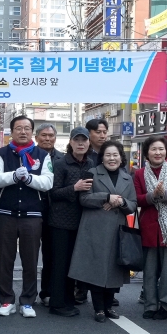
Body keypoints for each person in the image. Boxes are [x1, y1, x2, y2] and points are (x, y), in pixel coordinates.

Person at [0, 115, 54, 318]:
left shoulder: (42, 155)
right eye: (18, 128)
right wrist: (14, 176)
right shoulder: (1, 153)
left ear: (32, 132)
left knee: (30, 260)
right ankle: (6, 300)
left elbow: (48, 182)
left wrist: (28, 178)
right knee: (5, 259)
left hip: (32, 215)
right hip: (6, 214)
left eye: (27, 128)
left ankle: (27, 301)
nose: (23, 131)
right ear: (12, 131)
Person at [69, 141, 137, 323]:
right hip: (95, 229)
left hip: (117, 230)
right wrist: (106, 197)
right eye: (108, 155)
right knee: (96, 269)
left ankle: (109, 306)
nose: (111, 158)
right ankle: (99, 308)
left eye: (115, 155)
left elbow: (133, 204)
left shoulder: (127, 177)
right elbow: (84, 198)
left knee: (114, 270)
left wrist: (121, 202)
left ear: (121, 158)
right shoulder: (92, 173)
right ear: (102, 157)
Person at [134, 136, 167, 320]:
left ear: (166, 152)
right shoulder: (139, 174)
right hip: (149, 227)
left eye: (161, 149)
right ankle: (150, 305)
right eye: (154, 149)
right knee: (149, 271)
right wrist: (152, 195)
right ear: (147, 153)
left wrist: (164, 194)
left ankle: (166, 305)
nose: (158, 153)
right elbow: (137, 199)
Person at [48, 127, 94, 317]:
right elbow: (52, 192)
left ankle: (69, 300)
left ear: (89, 142)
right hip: (60, 221)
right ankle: (57, 303)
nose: (81, 144)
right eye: (77, 140)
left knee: (74, 265)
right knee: (60, 264)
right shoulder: (60, 163)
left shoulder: (91, 163)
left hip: (82, 221)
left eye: (84, 140)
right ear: (71, 142)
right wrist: (74, 188)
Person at [75, 118, 108, 304]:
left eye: (104, 132)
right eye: (98, 132)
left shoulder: (110, 152)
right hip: (83, 207)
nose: (102, 135)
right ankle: (81, 288)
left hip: (106, 209)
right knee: (84, 251)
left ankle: (105, 291)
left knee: (103, 251)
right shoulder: (83, 155)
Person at [35, 123, 62, 307]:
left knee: (52, 254)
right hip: (33, 210)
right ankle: (28, 294)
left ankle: (48, 292)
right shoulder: (29, 155)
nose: (47, 139)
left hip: (56, 213)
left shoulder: (62, 158)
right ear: (36, 137)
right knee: (29, 254)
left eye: (51, 135)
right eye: (43, 135)